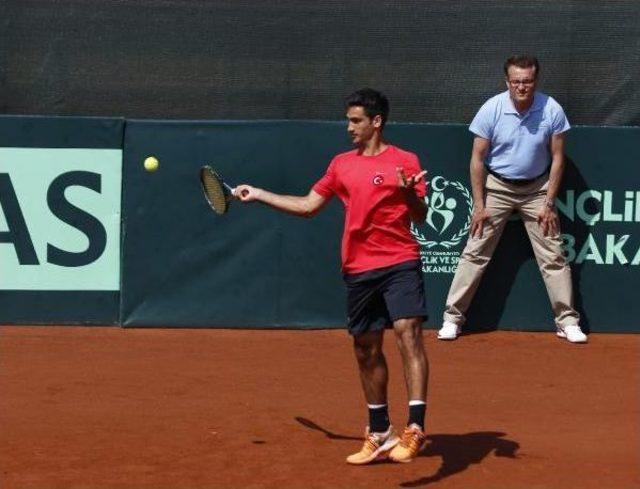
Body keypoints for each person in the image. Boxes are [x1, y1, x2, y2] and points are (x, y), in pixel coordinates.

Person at [235, 88, 430, 464]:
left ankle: (416, 427)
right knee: (365, 348)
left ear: (377, 122)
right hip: (359, 267)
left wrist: (407, 195)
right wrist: (258, 193)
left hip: (399, 260)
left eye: (356, 120)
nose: (349, 127)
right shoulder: (341, 164)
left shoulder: (405, 161)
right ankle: (380, 431)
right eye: (348, 120)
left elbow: (419, 216)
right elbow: (309, 205)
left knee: (408, 331)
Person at [438, 55, 587, 344]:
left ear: (536, 81)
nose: (522, 87)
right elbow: (477, 158)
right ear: (507, 81)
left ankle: (567, 321)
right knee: (475, 250)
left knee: (554, 255)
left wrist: (548, 202)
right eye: (516, 81)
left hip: (538, 189)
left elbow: (557, 159)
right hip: (497, 187)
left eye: (527, 81)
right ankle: (452, 318)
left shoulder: (551, 109)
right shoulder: (491, 109)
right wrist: (479, 206)